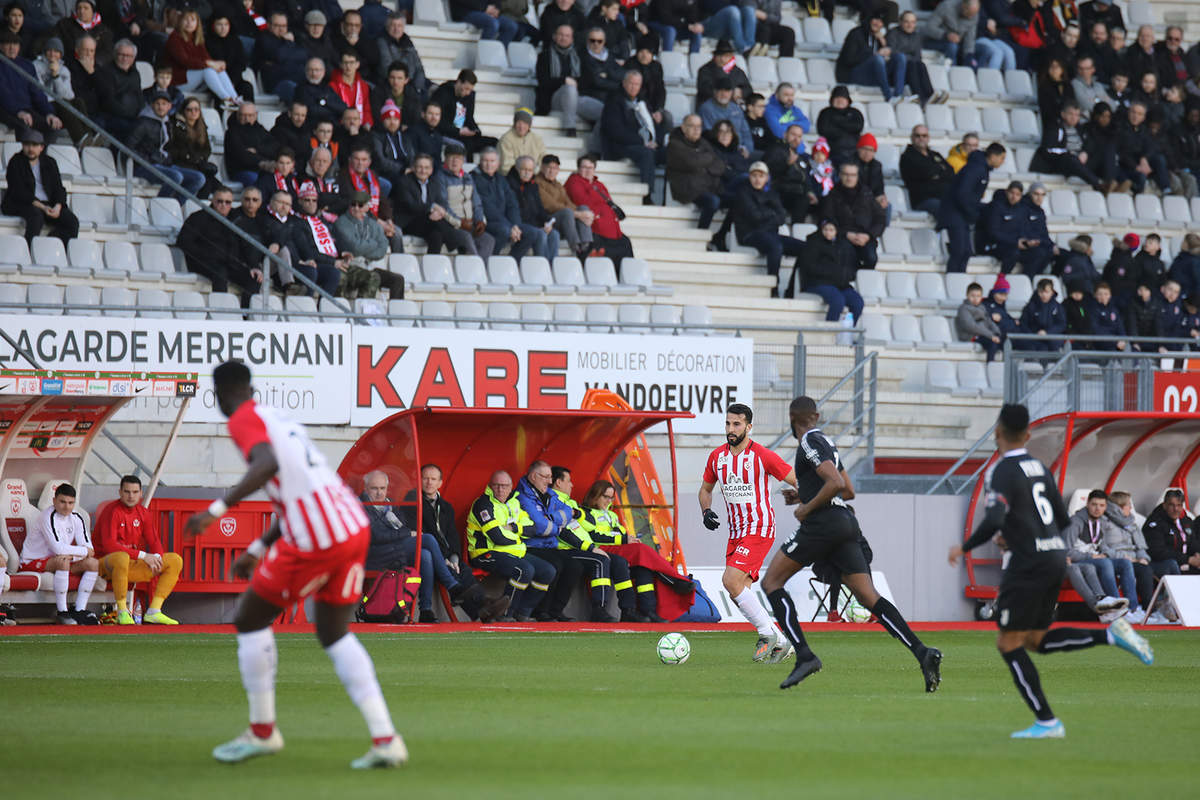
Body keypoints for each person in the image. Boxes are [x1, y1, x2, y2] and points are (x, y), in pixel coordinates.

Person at [181, 361, 405, 767]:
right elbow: (298, 490)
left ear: (220, 394)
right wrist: (258, 547)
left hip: (318, 536)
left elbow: (265, 465)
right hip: (351, 525)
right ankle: (386, 738)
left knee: (250, 618)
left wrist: (216, 510)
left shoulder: (244, 420)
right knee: (335, 632)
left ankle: (263, 731)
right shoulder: (278, 417)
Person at [948, 403, 1153, 739]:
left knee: (1008, 642)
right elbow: (1060, 519)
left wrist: (965, 547)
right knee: (1035, 640)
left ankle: (1047, 721)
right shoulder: (1040, 467)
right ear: (1028, 435)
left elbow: (995, 518)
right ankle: (1110, 635)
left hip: (1027, 563)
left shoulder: (1001, 471)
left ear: (997, 432)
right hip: (1055, 558)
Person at [765, 396, 941, 690]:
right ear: (817, 416)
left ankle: (805, 656)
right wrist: (803, 495)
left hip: (823, 523)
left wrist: (806, 508)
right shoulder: (827, 443)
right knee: (867, 597)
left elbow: (835, 483)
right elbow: (848, 490)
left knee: (771, 582)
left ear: (792, 419)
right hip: (846, 523)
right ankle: (922, 652)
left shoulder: (808, 442)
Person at [697, 403, 795, 660]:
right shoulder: (717, 457)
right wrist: (706, 512)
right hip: (736, 531)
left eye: (737, 424)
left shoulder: (763, 456)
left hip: (760, 527)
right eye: (728, 423)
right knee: (739, 589)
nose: (731, 429)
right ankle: (783, 641)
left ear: (749, 427)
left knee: (730, 580)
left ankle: (767, 633)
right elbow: (705, 490)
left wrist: (801, 497)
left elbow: (796, 479)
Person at [360, 469, 484, 622]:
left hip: (396, 550)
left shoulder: (390, 503)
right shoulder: (361, 505)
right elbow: (376, 535)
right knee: (428, 539)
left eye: (382, 488)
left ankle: (425, 610)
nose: (379, 493)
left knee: (426, 555)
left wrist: (406, 533)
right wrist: (406, 534)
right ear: (365, 488)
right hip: (377, 555)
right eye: (374, 488)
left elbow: (403, 525)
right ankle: (452, 586)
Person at [516, 460, 617, 623]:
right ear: (534, 476)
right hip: (531, 545)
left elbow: (568, 513)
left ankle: (555, 611)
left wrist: (560, 516)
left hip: (548, 544)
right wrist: (558, 525)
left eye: (550, 477)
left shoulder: (546, 495)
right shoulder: (523, 496)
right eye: (546, 477)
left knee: (574, 566)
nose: (549, 481)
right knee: (556, 565)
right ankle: (541, 611)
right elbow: (542, 526)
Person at [466, 470, 556, 622]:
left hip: (513, 552)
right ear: (490, 486)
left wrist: (514, 528)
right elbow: (497, 537)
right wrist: (519, 537)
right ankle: (504, 613)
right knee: (524, 570)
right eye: (497, 485)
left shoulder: (514, 502)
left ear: (511, 487)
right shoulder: (483, 504)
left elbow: (532, 528)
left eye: (505, 486)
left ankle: (523, 612)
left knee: (548, 571)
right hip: (485, 553)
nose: (501, 490)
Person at [94, 475, 183, 625]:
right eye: (127, 492)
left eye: (135, 492)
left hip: (129, 565)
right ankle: (122, 612)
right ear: (120, 492)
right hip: (105, 565)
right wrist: (143, 555)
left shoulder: (143, 512)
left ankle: (154, 611)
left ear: (141, 493)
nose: (131, 496)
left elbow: (154, 540)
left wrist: (157, 558)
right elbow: (110, 545)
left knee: (174, 560)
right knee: (121, 557)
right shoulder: (112, 511)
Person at [577, 478, 668, 623]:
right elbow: (591, 536)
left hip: (617, 552)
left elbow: (621, 533)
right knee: (621, 562)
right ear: (595, 495)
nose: (608, 501)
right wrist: (623, 540)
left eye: (611, 497)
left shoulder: (611, 515)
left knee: (642, 567)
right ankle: (621, 609)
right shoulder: (585, 513)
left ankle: (646, 611)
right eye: (605, 497)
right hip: (598, 552)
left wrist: (628, 538)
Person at [20, 483, 99, 625]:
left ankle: (79, 610)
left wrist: (74, 555)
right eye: (62, 502)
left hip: (59, 560)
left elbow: (90, 550)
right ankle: (62, 612)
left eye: (70, 503)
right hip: (32, 561)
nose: (67, 506)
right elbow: (58, 548)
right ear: (54, 500)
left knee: (93, 563)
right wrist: (81, 552)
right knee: (62, 561)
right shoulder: (47, 516)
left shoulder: (76, 518)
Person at [400, 463, 481, 598]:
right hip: (431, 558)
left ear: (440, 483)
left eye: (433, 479)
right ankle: (482, 607)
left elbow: (452, 535)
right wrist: (444, 558)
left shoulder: (446, 507)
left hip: (449, 556)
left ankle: (484, 606)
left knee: (465, 572)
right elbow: (423, 536)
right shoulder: (413, 501)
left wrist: (454, 558)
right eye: (425, 478)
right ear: (418, 480)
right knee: (455, 577)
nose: (429, 482)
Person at [1064, 489, 1142, 620]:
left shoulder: (1102, 522)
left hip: (1095, 559)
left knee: (1124, 563)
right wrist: (1091, 557)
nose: (1097, 509)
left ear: (1106, 507)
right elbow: (1066, 551)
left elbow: (1103, 546)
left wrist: (1114, 554)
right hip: (1080, 561)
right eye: (1094, 504)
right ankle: (1117, 608)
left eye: (1101, 505)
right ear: (1087, 504)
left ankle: (1132, 609)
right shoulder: (1075, 522)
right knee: (1105, 563)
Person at [729, 160, 802, 295]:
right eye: (754, 175)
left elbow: (782, 217)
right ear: (749, 176)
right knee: (775, 246)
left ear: (767, 178)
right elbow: (755, 217)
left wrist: (769, 216)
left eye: (761, 176)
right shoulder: (743, 193)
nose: (757, 179)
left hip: (770, 233)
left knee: (805, 248)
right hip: (750, 234)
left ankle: (790, 289)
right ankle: (773, 286)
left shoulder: (771, 193)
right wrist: (772, 215)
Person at [178, 186, 260, 297]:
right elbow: (183, 241)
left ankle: (246, 313)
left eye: (228, 202)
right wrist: (207, 254)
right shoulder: (198, 217)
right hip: (204, 262)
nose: (223, 205)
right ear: (212, 201)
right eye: (220, 201)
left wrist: (254, 266)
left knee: (254, 278)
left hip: (229, 263)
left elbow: (246, 245)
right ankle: (221, 312)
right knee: (221, 273)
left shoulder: (237, 219)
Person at [1, 129, 77, 244]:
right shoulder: (16, 162)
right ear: (23, 146)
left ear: (41, 147)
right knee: (36, 216)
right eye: (27, 145)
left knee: (71, 221)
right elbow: (18, 191)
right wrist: (43, 207)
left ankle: (51, 244)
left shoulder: (50, 162)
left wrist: (57, 206)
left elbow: (58, 188)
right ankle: (28, 248)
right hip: (21, 203)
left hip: (47, 204)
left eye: (35, 145)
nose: (30, 149)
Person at [940, 141, 1006, 273]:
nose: (1002, 162)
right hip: (955, 213)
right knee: (959, 252)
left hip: (961, 214)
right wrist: (973, 213)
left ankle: (958, 283)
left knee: (965, 253)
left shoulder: (981, 168)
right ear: (993, 156)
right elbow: (962, 194)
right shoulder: (976, 168)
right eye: (1002, 158)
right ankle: (953, 281)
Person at [128, 90, 205, 201]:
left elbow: (171, 148)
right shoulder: (143, 123)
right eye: (157, 104)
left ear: (169, 106)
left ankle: (175, 206)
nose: (161, 107)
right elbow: (129, 147)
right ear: (152, 105)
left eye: (164, 104)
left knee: (199, 178)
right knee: (176, 177)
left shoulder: (168, 123)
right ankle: (159, 205)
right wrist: (148, 160)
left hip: (164, 165)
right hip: (144, 166)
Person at [600, 70, 662, 200]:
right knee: (646, 153)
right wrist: (643, 142)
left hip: (642, 143)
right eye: (631, 83)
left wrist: (656, 141)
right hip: (619, 146)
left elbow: (651, 124)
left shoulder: (643, 102)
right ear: (624, 83)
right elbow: (615, 131)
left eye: (637, 84)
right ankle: (647, 195)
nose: (633, 87)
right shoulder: (614, 101)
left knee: (669, 151)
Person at [474, 147, 545, 259]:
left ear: (498, 164)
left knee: (533, 233)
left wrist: (515, 225)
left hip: (506, 222)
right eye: (485, 161)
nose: (489, 164)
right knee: (504, 231)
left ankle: (512, 262)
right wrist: (510, 226)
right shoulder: (474, 178)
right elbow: (488, 208)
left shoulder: (501, 179)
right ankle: (491, 261)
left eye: (492, 161)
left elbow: (512, 204)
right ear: (480, 162)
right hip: (486, 222)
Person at [333, 192, 407, 297]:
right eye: (353, 204)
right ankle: (364, 311)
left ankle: (398, 311)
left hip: (369, 265)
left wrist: (364, 249)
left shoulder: (372, 223)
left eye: (360, 205)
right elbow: (355, 248)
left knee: (398, 279)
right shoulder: (342, 222)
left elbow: (382, 249)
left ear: (367, 207)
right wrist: (373, 243)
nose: (356, 208)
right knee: (372, 278)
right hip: (350, 266)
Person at [565, 153, 634, 265]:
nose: (588, 171)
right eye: (584, 167)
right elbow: (582, 201)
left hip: (612, 230)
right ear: (578, 169)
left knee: (626, 244)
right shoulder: (574, 181)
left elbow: (609, 203)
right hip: (594, 228)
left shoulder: (599, 185)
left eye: (590, 168)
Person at [165, 9, 241, 109]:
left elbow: (206, 59)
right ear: (180, 21)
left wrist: (216, 64)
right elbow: (185, 61)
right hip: (178, 81)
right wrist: (210, 64)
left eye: (193, 20)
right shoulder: (174, 38)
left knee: (218, 70)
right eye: (186, 20)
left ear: (197, 23)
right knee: (208, 70)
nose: (189, 23)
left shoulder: (197, 39)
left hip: (194, 81)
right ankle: (226, 99)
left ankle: (235, 98)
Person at [1104, 490, 1161, 622]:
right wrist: (1126, 557)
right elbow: (1104, 547)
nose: (1130, 508)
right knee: (1144, 570)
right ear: (1119, 507)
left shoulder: (1132, 523)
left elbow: (1141, 546)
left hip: (1136, 560)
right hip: (1118, 560)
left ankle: (1170, 609)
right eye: (1128, 504)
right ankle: (1148, 610)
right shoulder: (1105, 523)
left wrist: (1143, 558)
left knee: (1168, 565)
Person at [536, 24, 599, 138]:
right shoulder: (544, 56)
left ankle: (596, 148)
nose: (563, 38)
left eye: (567, 35)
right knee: (569, 89)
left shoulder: (580, 56)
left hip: (577, 98)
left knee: (605, 111)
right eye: (561, 35)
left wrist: (574, 82)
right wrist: (563, 81)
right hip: (553, 99)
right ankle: (570, 128)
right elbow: (543, 82)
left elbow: (588, 80)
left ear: (572, 38)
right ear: (555, 36)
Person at [393, 152, 461, 256]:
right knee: (438, 224)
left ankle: (431, 266)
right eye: (419, 167)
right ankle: (455, 244)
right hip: (408, 222)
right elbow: (411, 205)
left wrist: (438, 213)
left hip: (428, 222)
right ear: (414, 168)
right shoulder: (404, 182)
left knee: (436, 235)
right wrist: (432, 207)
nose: (423, 170)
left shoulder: (434, 183)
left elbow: (441, 202)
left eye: (426, 167)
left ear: (431, 170)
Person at [0, 29, 62, 142]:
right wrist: (18, 111)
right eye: (8, 44)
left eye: (15, 44)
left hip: (26, 109)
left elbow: (37, 92)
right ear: (1, 46)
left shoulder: (26, 65)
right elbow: (3, 94)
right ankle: (21, 159)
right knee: (24, 126)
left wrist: (49, 113)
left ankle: (43, 157)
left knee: (52, 127)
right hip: (5, 110)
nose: (12, 47)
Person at [821, 162, 884, 270]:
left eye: (853, 175)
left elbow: (880, 218)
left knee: (871, 258)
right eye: (846, 174)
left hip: (866, 237)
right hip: (842, 238)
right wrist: (846, 234)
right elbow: (827, 219)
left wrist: (868, 235)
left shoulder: (867, 194)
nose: (849, 178)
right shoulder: (832, 196)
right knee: (847, 257)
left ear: (857, 176)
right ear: (840, 175)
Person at [667, 113, 725, 230]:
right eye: (692, 126)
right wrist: (707, 159)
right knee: (713, 201)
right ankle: (701, 233)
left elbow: (720, 165)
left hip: (707, 186)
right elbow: (692, 163)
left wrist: (701, 162)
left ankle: (720, 236)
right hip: (687, 188)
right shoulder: (674, 144)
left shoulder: (703, 142)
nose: (696, 130)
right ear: (683, 128)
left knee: (736, 199)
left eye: (699, 126)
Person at [835, 9, 905, 102]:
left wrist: (884, 43)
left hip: (873, 74)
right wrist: (873, 55)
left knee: (900, 57)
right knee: (878, 59)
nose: (877, 23)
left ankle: (898, 96)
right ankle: (889, 97)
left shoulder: (878, 37)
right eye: (875, 19)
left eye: (881, 22)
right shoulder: (856, 33)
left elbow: (885, 57)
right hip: (852, 74)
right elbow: (849, 59)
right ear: (869, 20)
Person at [799, 219, 862, 322]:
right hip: (817, 283)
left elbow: (852, 266)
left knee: (857, 303)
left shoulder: (844, 246)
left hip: (840, 284)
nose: (828, 232)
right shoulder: (813, 243)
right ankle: (829, 332)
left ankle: (846, 332)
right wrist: (833, 273)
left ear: (836, 231)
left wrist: (847, 275)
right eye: (825, 229)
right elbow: (809, 267)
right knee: (837, 301)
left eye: (831, 230)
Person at [1031, 101, 1102, 191]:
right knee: (1071, 159)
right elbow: (1048, 149)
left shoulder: (1081, 129)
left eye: (1077, 115)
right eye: (1071, 114)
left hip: (1080, 162)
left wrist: (1085, 153)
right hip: (1061, 162)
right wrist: (1069, 154)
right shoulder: (1055, 128)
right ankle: (1097, 184)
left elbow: (1090, 143)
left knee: (1102, 152)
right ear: (1063, 114)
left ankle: (1110, 181)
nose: (1074, 118)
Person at [440, 144, 495, 257]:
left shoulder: (468, 177)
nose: (455, 161)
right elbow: (443, 206)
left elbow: (477, 203)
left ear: (463, 161)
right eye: (451, 157)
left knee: (488, 240)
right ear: (445, 159)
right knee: (466, 238)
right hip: (451, 225)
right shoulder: (440, 177)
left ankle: (479, 270)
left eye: (459, 158)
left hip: (470, 224)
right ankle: (475, 269)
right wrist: (460, 223)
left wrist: (480, 221)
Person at [536, 154, 594, 259]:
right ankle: (575, 246)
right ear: (542, 167)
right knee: (567, 212)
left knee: (583, 208)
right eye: (549, 167)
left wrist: (582, 213)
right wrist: (576, 214)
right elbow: (549, 205)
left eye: (555, 168)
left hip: (563, 219)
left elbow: (568, 202)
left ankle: (586, 244)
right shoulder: (537, 182)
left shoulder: (557, 184)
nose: (552, 171)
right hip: (548, 219)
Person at [431, 70, 495, 158]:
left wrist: (475, 130)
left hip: (465, 134)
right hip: (449, 133)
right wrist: (458, 131)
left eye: (470, 89)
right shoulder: (443, 93)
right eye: (466, 89)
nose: (468, 93)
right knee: (466, 146)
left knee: (494, 142)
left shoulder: (469, 96)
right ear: (458, 82)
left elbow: (469, 118)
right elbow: (438, 122)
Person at [506, 155, 559, 261]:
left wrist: (547, 222)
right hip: (517, 223)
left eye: (530, 170)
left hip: (533, 224)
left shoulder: (533, 185)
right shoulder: (508, 183)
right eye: (524, 169)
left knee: (554, 234)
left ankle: (552, 268)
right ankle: (542, 268)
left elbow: (539, 208)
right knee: (540, 234)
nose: (527, 173)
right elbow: (513, 210)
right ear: (517, 169)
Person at [887, 10, 941, 106]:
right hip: (895, 72)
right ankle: (921, 97)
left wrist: (908, 57)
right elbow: (893, 53)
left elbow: (917, 57)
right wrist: (909, 57)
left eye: (912, 22)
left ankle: (930, 95)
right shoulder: (893, 33)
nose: (909, 25)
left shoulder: (916, 36)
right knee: (911, 64)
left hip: (910, 69)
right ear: (900, 22)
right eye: (906, 22)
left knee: (920, 64)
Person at [1142, 488, 1200, 578]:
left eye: (1179, 505)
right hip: (1162, 564)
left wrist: (1197, 553)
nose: (1176, 509)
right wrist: (1188, 559)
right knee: (1171, 564)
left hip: (1186, 563)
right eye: (1171, 505)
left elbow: (1192, 542)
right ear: (1164, 505)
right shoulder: (1155, 523)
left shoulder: (1186, 521)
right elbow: (1158, 552)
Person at [168, 96, 218, 198]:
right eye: (189, 110)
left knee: (216, 185)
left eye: (196, 109)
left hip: (198, 165)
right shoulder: (178, 127)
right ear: (184, 111)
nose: (193, 112)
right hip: (182, 164)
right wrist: (196, 159)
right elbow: (180, 149)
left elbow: (207, 149)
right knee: (207, 181)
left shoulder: (202, 127)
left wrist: (200, 159)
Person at [899, 125, 953, 217]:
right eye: (917, 136)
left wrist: (935, 175)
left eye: (924, 136)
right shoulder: (907, 157)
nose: (921, 138)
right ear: (912, 138)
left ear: (928, 138)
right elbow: (925, 173)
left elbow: (951, 173)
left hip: (943, 197)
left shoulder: (935, 155)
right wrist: (939, 172)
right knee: (948, 209)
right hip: (924, 200)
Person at [254, 13, 308, 100]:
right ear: (269, 25)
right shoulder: (263, 39)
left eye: (284, 26)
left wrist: (288, 51)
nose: (281, 29)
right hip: (277, 83)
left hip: (296, 79)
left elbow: (304, 55)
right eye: (277, 25)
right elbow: (279, 55)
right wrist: (289, 43)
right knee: (293, 89)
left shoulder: (293, 38)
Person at [225, 102, 280, 188]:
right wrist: (262, 162)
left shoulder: (260, 129)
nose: (246, 119)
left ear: (255, 115)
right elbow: (241, 155)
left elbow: (275, 147)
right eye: (243, 115)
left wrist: (257, 150)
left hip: (261, 169)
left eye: (250, 115)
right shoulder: (231, 133)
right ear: (237, 115)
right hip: (241, 171)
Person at [374, 14, 427, 93]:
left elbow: (419, 68)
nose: (396, 29)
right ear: (387, 27)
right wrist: (405, 82)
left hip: (412, 84)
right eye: (393, 25)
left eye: (399, 26)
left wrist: (417, 87)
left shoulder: (408, 42)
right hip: (393, 85)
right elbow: (387, 68)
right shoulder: (382, 42)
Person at [695, 40, 752, 108]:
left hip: (733, 107)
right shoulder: (705, 70)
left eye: (726, 56)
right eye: (719, 56)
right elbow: (705, 90)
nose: (722, 59)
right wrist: (732, 92)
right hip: (711, 107)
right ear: (714, 56)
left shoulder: (738, 71)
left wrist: (741, 91)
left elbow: (749, 89)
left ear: (731, 57)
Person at [815, 85, 864, 165]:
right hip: (832, 152)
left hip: (853, 153)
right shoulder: (825, 113)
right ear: (832, 100)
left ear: (848, 100)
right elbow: (823, 130)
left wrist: (838, 122)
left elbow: (858, 127)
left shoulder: (855, 113)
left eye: (843, 98)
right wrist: (846, 129)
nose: (840, 100)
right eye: (837, 98)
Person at [956, 281, 1004, 361]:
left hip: (984, 334)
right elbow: (971, 326)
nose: (975, 298)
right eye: (972, 296)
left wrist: (997, 333)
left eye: (978, 296)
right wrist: (991, 336)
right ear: (967, 295)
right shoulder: (963, 309)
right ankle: (990, 366)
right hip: (971, 336)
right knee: (992, 343)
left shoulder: (982, 307)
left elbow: (989, 321)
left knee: (1005, 342)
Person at [924, 0, 979, 67]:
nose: (971, 17)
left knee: (978, 53)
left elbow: (970, 39)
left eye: (973, 14)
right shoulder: (947, 6)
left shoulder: (974, 15)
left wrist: (969, 55)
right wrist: (946, 35)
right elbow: (929, 27)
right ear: (963, 6)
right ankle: (952, 72)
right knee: (952, 47)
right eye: (969, 14)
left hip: (957, 44)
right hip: (934, 40)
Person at [449, 0, 518, 45]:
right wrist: (485, 8)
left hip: (486, 12)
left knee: (511, 26)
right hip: (465, 12)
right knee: (492, 23)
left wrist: (496, 9)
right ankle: (484, 57)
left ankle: (495, 56)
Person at [498, 107, 544, 174]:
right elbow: (506, 166)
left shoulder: (537, 139)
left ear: (529, 125)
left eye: (525, 123)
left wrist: (533, 173)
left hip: (533, 176)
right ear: (514, 123)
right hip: (512, 177)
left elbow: (543, 159)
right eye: (519, 123)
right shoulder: (506, 139)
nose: (521, 127)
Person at [296, 10, 338, 74]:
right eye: (313, 25)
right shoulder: (299, 41)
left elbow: (335, 59)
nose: (316, 28)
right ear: (306, 26)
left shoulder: (328, 41)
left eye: (319, 25)